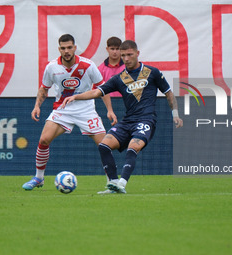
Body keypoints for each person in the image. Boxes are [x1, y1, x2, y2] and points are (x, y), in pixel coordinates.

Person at [62, 40, 183, 194]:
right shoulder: (119, 78)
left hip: (146, 120)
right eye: (123, 55)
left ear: (137, 54)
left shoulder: (152, 73)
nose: (126, 58)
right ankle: (113, 184)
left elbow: (168, 93)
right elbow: (97, 92)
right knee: (104, 145)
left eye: (129, 55)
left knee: (133, 147)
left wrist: (175, 114)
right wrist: (76, 97)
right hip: (128, 121)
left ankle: (122, 184)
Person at [22, 34, 117, 190]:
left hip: (86, 110)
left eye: (69, 47)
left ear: (74, 48)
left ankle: (112, 182)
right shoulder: (52, 67)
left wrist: (110, 110)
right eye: (63, 48)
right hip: (63, 110)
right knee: (44, 139)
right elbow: (44, 89)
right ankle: (39, 178)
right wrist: (37, 105)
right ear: (59, 49)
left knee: (104, 145)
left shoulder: (87, 65)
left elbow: (103, 89)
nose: (66, 51)